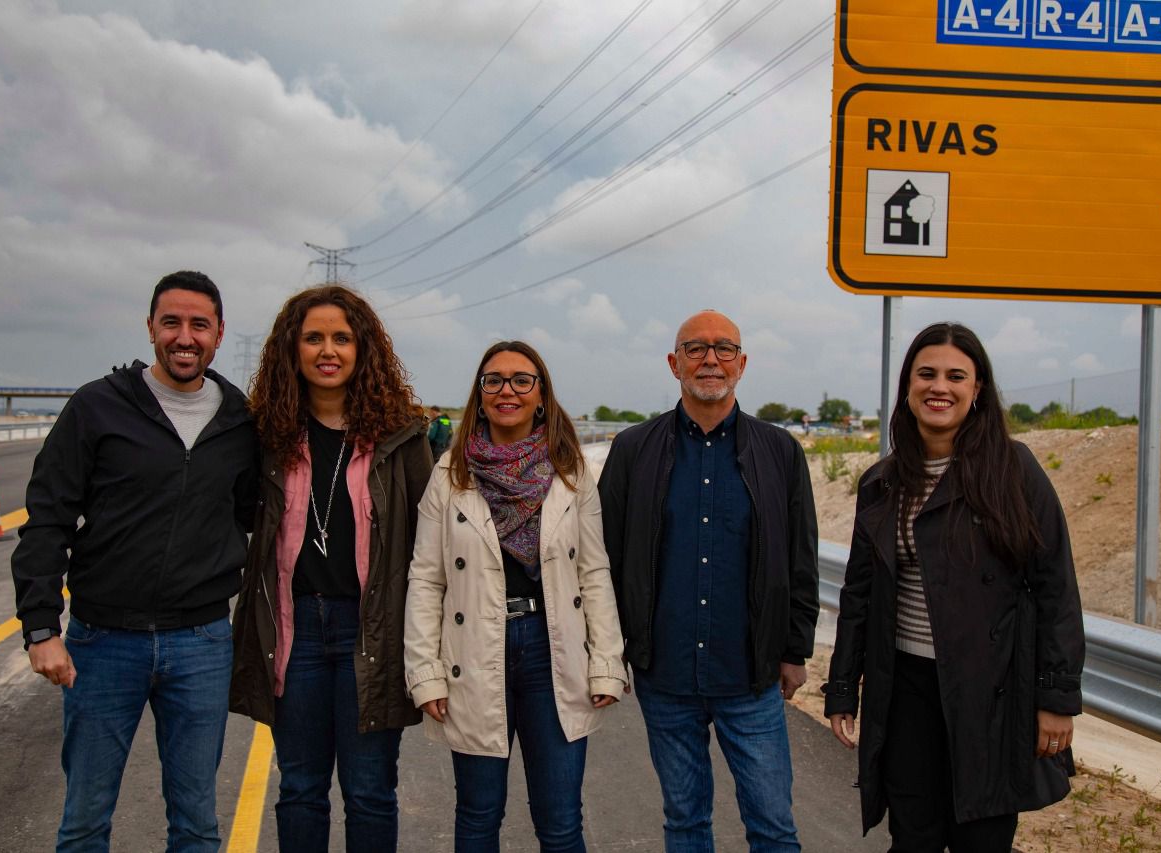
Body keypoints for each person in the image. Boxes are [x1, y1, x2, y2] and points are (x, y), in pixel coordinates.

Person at [12, 270, 257, 852]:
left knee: (197, 824)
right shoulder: (99, 405)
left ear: (219, 334)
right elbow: (47, 518)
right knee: (85, 821)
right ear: (150, 327)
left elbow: (254, 516)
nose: (185, 337)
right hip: (103, 642)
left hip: (201, 643)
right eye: (171, 322)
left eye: (199, 324)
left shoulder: (241, 422)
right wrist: (41, 627)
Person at [823, 322, 1084, 851]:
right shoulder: (881, 482)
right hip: (905, 691)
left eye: (955, 375)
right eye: (927, 374)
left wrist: (1056, 697)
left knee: (982, 838)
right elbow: (860, 596)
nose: (939, 386)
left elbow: (1055, 586)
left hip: (992, 694)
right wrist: (843, 687)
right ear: (908, 386)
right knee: (913, 838)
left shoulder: (1015, 471)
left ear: (977, 389)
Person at [598, 310, 819, 852]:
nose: (710, 359)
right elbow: (603, 558)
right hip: (665, 674)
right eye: (695, 349)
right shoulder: (632, 449)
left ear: (742, 364)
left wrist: (794, 649)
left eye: (724, 349)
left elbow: (800, 559)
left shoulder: (780, 451)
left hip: (751, 674)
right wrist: (609, 653)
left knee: (772, 824)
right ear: (674, 364)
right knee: (685, 821)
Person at [230, 285, 432, 852]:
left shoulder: (402, 438)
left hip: (371, 632)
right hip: (293, 635)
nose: (328, 350)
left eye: (342, 338)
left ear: (362, 349)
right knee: (300, 789)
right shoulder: (266, 435)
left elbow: (431, 542)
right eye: (313, 337)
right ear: (290, 349)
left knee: (370, 791)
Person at [404, 340, 626, 853]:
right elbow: (426, 578)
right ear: (479, 396)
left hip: (554, 649)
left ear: (541, 394)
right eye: (494, 381)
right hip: (474, 652)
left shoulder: (571, 474)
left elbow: (594, 572)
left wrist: (607, 662)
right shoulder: (449, 474)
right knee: (478, 817)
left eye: (521, 380)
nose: (508, 390)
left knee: (561, 821)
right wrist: (425, 671)